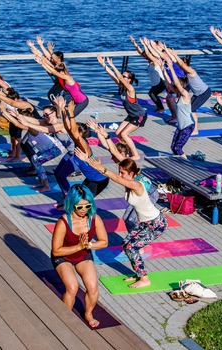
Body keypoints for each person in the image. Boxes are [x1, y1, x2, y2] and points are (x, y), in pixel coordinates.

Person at [75, 151, 168, 289]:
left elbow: (115, 178)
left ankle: (144, 279)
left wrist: (98, 166)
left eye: (123, 173)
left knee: (132, 248)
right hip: (145, 223)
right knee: (126, 244)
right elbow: (117, 160)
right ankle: (138, 273)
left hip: (156, 224)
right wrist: (89, 160)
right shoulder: (129, 181)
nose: (120, 175)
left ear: (131, 174)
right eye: (119, 171)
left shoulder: (136, 185)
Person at [51, 184, 108, 327]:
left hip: (82, 255)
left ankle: (88, 314)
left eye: (87, 206)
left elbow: (104, 242)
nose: (84, 210)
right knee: (72, 287)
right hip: (63, 256)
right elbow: (56, 251)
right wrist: (78, 246)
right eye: (79, 207)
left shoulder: (94, 218)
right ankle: (65, 318)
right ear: (72, 204)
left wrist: (88, 245)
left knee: (93, 287)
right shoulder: (63, 222)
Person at [1, 106, 65, 191]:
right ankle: (41, 181)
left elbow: (17, 124)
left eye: (46, 115)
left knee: (36, 161)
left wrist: (2, 111)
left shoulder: (32, 129)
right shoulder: (34, 126)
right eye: (44, 115)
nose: (20, 121)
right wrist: (15, 115)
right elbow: (20, 121)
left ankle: (46, 186)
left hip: (56, 148)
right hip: (49, 148)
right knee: (34, 160)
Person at [57, 97, 110, 197]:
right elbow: (68, 128)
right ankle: (66, 203)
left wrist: (72, 114)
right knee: (77, 199)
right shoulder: (78, 142)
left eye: (75, 129)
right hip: (90, 179)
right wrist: (62, 109)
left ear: (80, 133)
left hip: (99, 180)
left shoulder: (83, 145)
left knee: (83, 202)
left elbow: (73, 130)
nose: (72, 130)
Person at [98, 55, 147, 160]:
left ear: (129, 80)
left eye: (125, 76)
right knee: (117, 133)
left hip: (139, 115)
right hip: (131, 115)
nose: (122, 77)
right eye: (123, 76)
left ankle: (136, 155)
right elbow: (113, 76)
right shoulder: (122, 87)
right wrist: (104, 64)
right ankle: (127, 151)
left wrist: (112, 65)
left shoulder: (130, 89)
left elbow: (119, 77)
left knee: (124, 134)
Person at [165, 47, 211, 135]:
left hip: (204, 92)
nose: (179, 67)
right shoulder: (184, 75)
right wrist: (167, 52)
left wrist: (174, 53)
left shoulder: (191, 71)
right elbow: (177, 63)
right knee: (189, 108)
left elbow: (181, 64)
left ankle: (195, 129)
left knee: (192, 109)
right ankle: (188, 126)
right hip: (198, 93)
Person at [35, 54, 89, 119]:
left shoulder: (68, 77)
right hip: (75, 100)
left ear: (62, 72)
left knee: (69, 116)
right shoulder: (63, 76)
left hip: (82, 101)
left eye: (59, 73)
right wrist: (42, 64)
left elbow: (54, 72)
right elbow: (52, 71)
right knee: (65, 114)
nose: (58, 75)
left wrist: (43, 62)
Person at [163, 57, 195, 157]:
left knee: (178, 148)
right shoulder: (177, 94)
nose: (173, 86)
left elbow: (176, 83)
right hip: (180, 126)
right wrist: (163, 69)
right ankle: (179, 163)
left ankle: (186, 166)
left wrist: (172, 68)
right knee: (173, 147)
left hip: (188, 126)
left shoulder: (185, 94)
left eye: (175, 85)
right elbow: (168, 82)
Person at [130, 36, 166, 113]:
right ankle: (160, 107)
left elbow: (148, 55)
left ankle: (161, 108)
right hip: (155, 83)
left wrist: (145, 45)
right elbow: (141, 52)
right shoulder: (149, 62)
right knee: (152, 94)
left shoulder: (155, 61)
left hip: (161, 82)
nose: (145, 57)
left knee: (152, 94)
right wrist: (135, 43)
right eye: (144, 56)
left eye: (146, 55)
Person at [28, 36, 66, 102]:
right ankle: (58, 106)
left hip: (62, 84)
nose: (50, 58)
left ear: (58, 59)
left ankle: (57, 107)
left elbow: (44, 57)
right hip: (58, 83)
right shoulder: (53, 63)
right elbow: (44, 56)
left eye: (53, 58)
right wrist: (38, 45)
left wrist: (39, 47)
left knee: (51, 95)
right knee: (54, 96)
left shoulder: (59, 66)